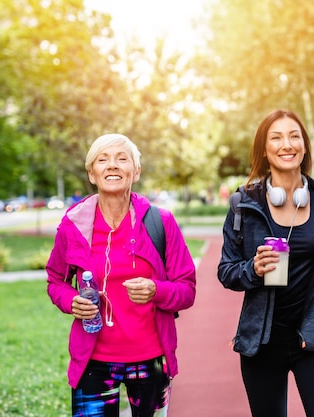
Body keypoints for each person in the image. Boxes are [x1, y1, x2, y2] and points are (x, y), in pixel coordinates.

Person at [217, 109, 314, 417]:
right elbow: (226, 271)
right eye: (276, 137)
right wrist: (252, 269)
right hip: (262, 341)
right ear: (264, 151)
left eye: (294, 136)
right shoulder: (244, 204)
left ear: (304, 146)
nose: (287, 144)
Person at [46, 133, 196, 417]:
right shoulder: (72, 224)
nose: (112, 165)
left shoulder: (161, 222)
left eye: (121, 159)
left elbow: (186, 289)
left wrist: (157, 290)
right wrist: (70, 301)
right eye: (103, 160)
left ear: (135, 171)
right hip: (92, 360)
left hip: (151, 359)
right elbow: (56, 280)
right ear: (92, 174)